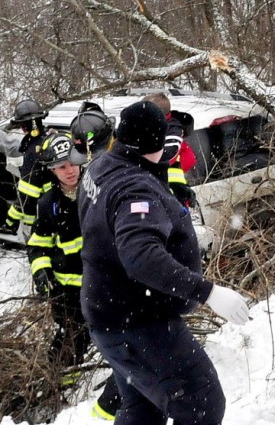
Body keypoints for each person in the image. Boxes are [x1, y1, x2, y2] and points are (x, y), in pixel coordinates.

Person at [79, 100, 250, 424]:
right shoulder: (135, 190)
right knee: (203, 402)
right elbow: (140, 257)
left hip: (112, 315)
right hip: (140, 324)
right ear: (156, 145)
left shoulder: (101, 166)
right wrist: (209, 293)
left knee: (143, 409)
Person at [26, 131, 121, 420]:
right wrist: (42, 274)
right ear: (52, 170)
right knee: (70, 339)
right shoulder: (48, 204)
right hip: (67, 291)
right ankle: (59, 385)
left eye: (71, 163)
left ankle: (120, 382)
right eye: (60, 166)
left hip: (105, 285)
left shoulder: (98, 191)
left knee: (116, 332)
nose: (68, 171)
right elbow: (38, 244)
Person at [2, 99, 50, 239]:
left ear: (23, 127)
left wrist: (9, 221)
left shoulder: (32, 153)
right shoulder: (48, 142)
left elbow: (27, 196)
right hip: (51, 210)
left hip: (37, 219)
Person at [141, 92, 198, 208]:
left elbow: (165, 155)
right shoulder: (151, 126)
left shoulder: (172, 130)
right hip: (165, 183)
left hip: (170, 190)